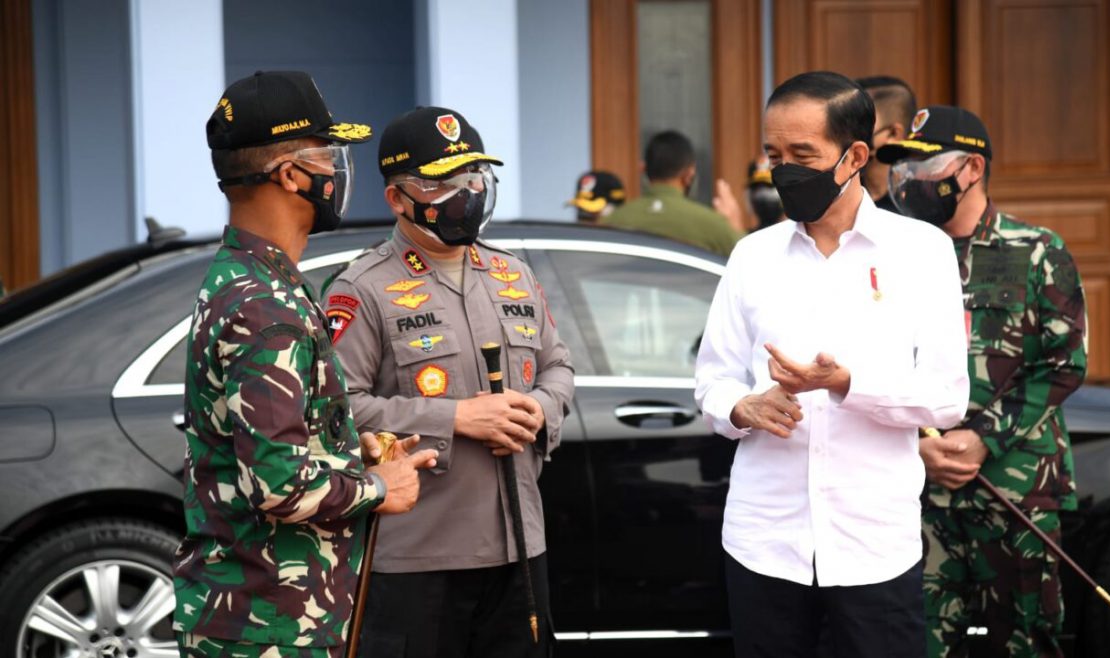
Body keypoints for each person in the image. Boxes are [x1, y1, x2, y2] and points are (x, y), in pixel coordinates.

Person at [694, 70, 970, 658]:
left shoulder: (921, 252)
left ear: (855, 156)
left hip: (874, 548)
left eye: (802, 154)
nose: (784, 169)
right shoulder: (752, 257)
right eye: (774, 154)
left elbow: (946, 396)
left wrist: (847, 384)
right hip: (765, 544)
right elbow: (712, 381)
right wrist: (742, 407)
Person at [172, 71, 438, 658]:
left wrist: (350, 450)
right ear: (291, 173)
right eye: (330, 155)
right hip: (267, 625)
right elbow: (278, 486)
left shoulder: (248, 279)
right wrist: (376, 486)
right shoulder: (266, 307)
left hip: (265, 615)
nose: (337, 173)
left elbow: (274, 440)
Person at [326, 106, 575, 657]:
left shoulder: (513, 273)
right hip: (420, 556)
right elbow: (338, 408)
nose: (466, 194)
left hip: (519, 548)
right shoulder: (363, 288)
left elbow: (558, 366)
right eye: (442, 184)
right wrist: (455, 418)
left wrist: (538, 408)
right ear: (397, 198)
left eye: (473, 178)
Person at [877, 105, 1088, 658]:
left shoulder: (1036, 252)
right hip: (919, 495)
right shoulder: (893, 259)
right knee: (916, 641)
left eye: (925, 167)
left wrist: (980, 439)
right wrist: (920, 446)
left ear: (970, 169)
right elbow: (874, 364)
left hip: (1016, 491)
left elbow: (1063, 363)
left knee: (1021, 641)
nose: (910, 182)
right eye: (904, 170)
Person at [603, 130, 743, 256]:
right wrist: (735, 225)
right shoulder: (712, 225)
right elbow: (749, 265)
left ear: (643, 169)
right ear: (689, 174)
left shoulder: (610, 223)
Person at [856, 76, 917, 212]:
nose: (848, 132)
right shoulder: (839, 196)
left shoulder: (919, 203)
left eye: (861, 123)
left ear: (893, 134)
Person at [746, 155, 784, 229]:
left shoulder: (801, 237)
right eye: (757, 189)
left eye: (770, 188)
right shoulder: (746, 239)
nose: (763, 195)